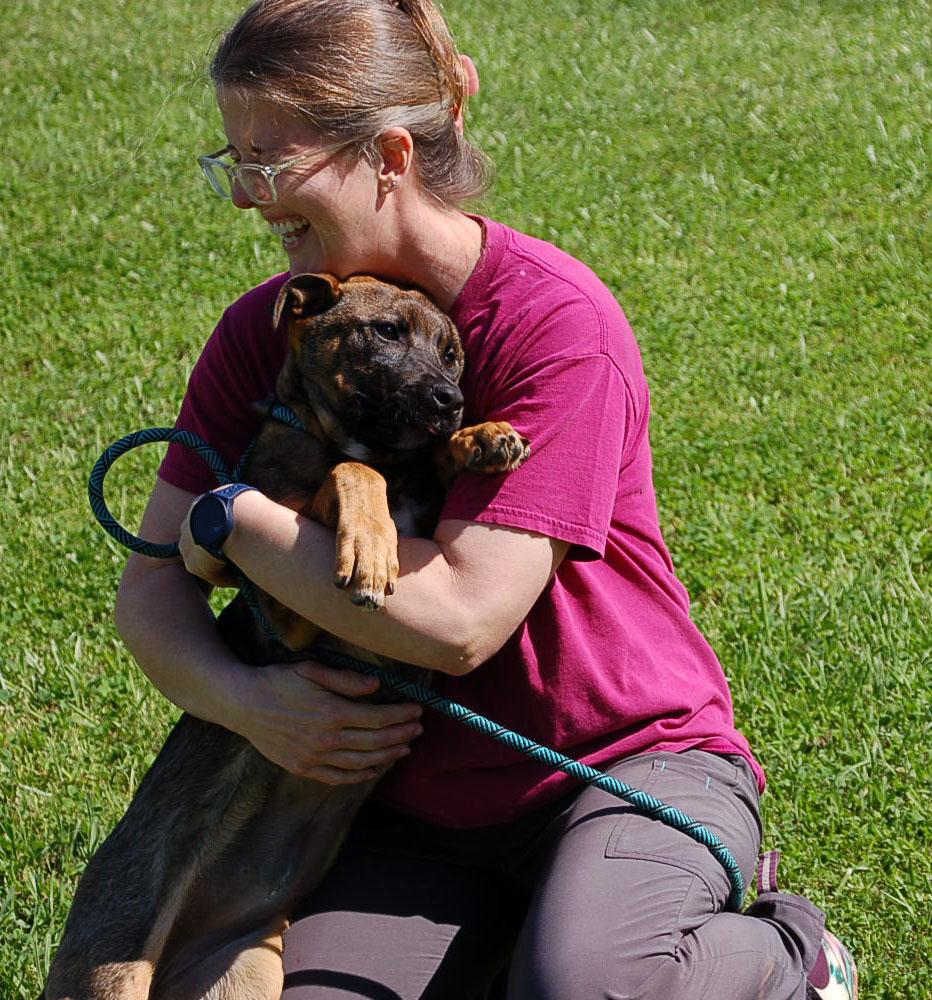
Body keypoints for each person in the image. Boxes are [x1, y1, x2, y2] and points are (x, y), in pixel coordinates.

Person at [115, 0, 858, 997]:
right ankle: (530, 940)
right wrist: (252, 702)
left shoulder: (553, 321)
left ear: (384, 153)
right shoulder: (273, 326)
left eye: (269, 163)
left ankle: (788, 955)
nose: (248, 198)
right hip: (417, 813)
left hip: (622, 769)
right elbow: (150, 597)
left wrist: (237, 519)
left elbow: (458, 622)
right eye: (234, 164)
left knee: (587, 985)